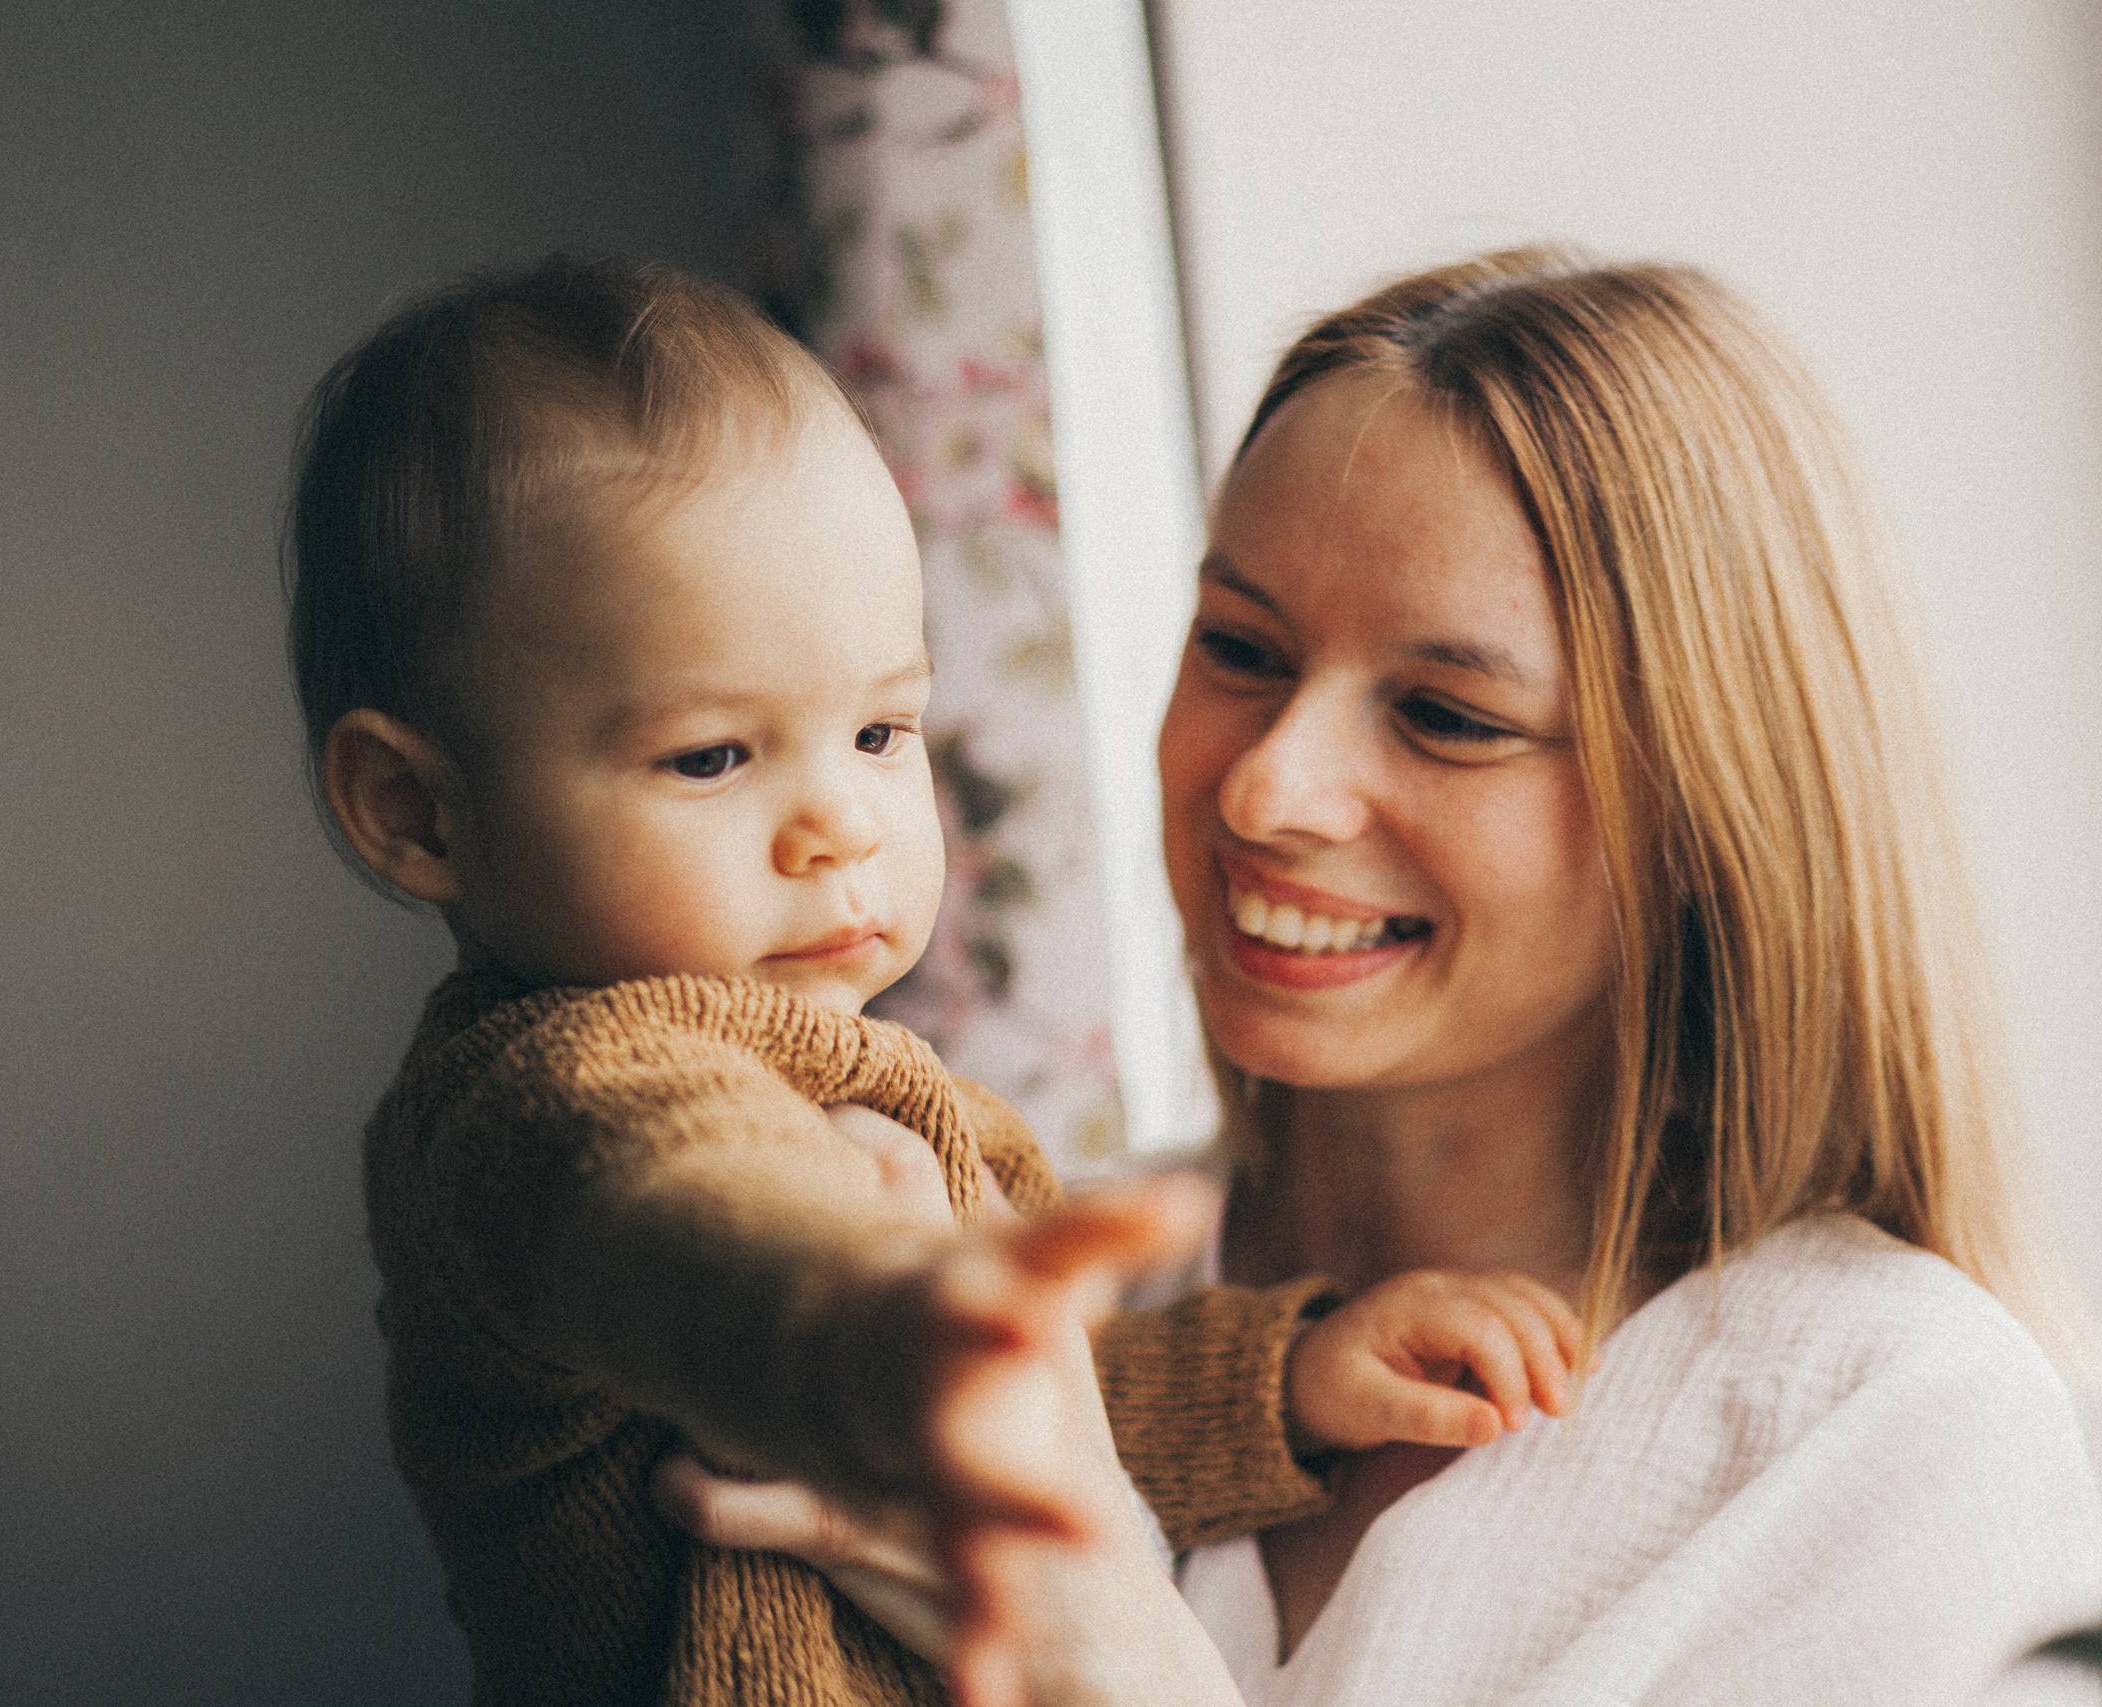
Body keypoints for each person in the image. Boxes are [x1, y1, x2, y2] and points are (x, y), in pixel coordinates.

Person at [662, 247, 2102, 1703]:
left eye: (1444, 715)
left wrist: (1100, 1648)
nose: (1268, 790)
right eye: (1240, 647)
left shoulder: (1895, 1426)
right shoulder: (1033, 1297)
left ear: (1711, 810)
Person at [282, 255, 1586, 1707]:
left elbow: (1053, 1419)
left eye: (881, 733)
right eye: (713, 755)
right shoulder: (537, 1098)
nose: (838, 821)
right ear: (417, 813)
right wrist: (862, 1316)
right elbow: (680, 1223)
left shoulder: (910, 1107)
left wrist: (1284, 1383)